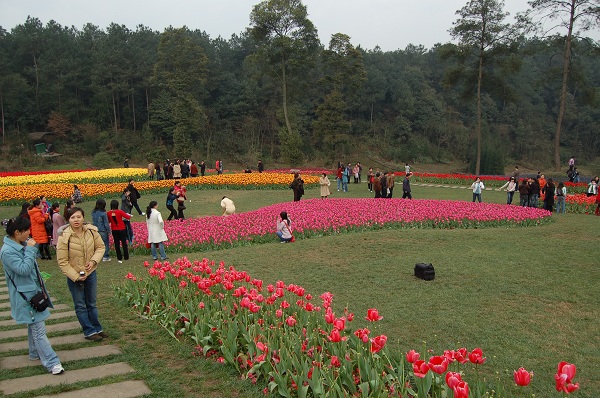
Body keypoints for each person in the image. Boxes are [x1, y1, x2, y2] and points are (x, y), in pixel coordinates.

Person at [0, 217, 65, 375]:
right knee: (38, 330)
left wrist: (28, 248)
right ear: (17, 232)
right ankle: (52, 363)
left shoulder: (19, 245)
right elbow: (23, 269)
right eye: (27, 230)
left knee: (33, 324)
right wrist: (29, 250)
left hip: (32, 292)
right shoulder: (7, 251)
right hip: (25, 297)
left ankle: (34, 353)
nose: (30, 233)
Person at [56, 207, 107, 342]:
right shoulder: (64, 237)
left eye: (78, 216)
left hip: (90, 272)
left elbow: (100, 247)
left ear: (83, 217)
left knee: (92, 302)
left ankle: (97, 328)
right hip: (74, 276)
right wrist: (76, 276)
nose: (76, 220)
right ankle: (89, 331)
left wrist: (93, 261)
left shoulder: (91, 231)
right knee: (80, 304)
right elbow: (62, 261)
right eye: (72, 217)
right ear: (68, 220)